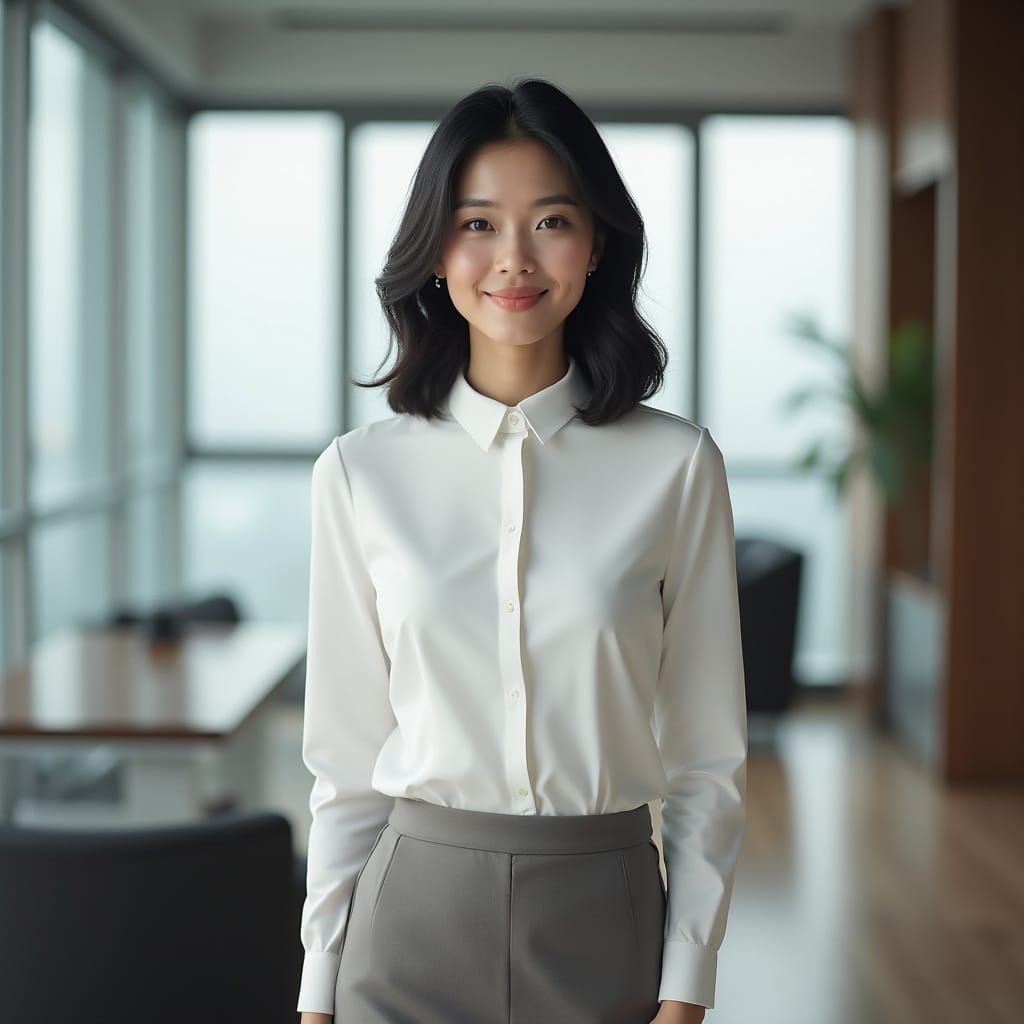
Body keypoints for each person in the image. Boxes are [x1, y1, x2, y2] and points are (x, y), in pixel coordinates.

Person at [296, 77, 747, 1024]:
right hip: (406, 922)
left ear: (595, 247)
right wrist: (317, 988)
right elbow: (343, 760)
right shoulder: (357, 473)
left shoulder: (677, 465)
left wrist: (687, 983)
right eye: (476, 223)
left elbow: (707, 757)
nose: (513, 259)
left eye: (550, 221)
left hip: (605, 915)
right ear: (434, 251)